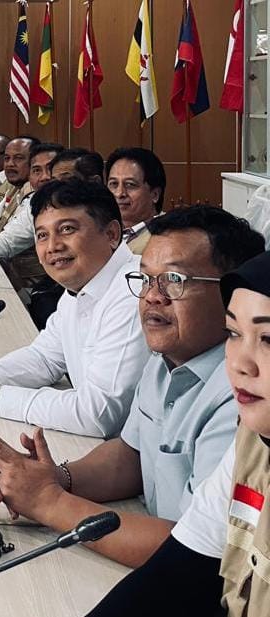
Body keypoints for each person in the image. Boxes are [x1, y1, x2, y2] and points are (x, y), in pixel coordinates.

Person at [0, 206, 264, 569]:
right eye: (146, 279)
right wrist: (54, 478)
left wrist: (50, 503)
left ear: (234, 295)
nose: (153, 296)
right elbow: (131, 454)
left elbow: (195, 549)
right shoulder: (166, 359)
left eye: (174, 279)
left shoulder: (246, 395)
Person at [86, 249, 270, 617]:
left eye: (268, 339)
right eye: (234, 333)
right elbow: (179, 569)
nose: (239, 364)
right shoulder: (252, 443)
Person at [0, 179, 149, 438]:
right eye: (42, 235)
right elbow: (45, 358)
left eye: (67, 229)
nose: (52, 246)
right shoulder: (81, 285)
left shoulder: (135, 291)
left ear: (112, 234)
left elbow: (99, 414)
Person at [0, 148, 104, 329]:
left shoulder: (101, 213)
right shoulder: (40, 202)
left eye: (67, 180)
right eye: (37, 171)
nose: (54, 246)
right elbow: (9, 237)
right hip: (57, 290)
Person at [105, 147, 166, 255]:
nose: (119, 193)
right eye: (114, 184)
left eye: (130, 185)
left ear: (155, 194)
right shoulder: (101, 231)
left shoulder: (166, 238)